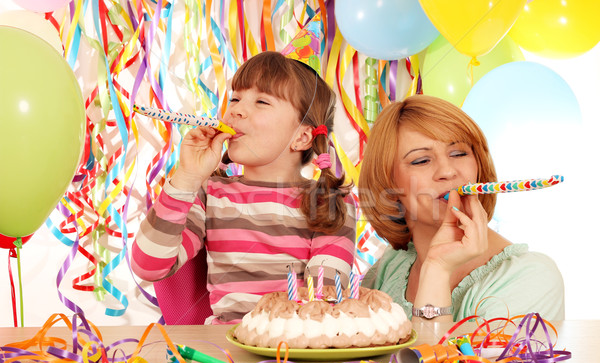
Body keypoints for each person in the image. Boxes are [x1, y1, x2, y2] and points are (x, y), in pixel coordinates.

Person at [132, 51, 356, 324]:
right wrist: (188, 177)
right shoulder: (209, 193)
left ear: (302, 136)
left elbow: (324, 299)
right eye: (235, 98)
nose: (235, 109)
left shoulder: (331, 202)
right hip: (224, 350)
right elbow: (148, 266)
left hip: (298, 349)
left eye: (261, 101)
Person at [358, 95, 564, 322]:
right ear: (388, 183)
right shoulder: (390, 267)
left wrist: (437, 270)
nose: (447, 171)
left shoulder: (532, 278)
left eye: (458, 153)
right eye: (421, 160)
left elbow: (436, 358)